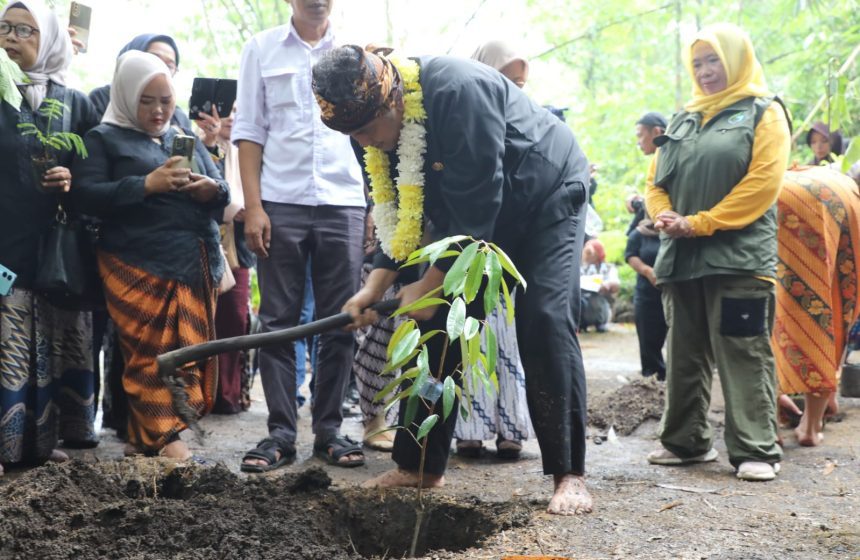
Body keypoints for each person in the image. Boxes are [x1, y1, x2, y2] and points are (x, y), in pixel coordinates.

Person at [313, 45, 593, 515]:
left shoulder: (461, 90)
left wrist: (427, 286)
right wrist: (373, 288)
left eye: (364, 131)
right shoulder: (360, 122)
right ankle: (419, 464)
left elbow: (477, 204)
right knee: (438, 323)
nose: (360, 143)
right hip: (475, 215)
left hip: (546, 196)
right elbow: (399, 213)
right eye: (350, 135)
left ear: (394, 102)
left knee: (544, 317)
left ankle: (569, 474)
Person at [644, 23, 789, 481]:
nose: (706, 72)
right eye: (698, 63)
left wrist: (701, 222)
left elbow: (763, 184)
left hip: (738, 256)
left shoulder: (763, 112)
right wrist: (666, 215)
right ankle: (685, 442)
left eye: (714, 61)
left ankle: (756, 450)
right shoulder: (684, 117)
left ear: (736, 60)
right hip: (681, 257)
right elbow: (655, 182)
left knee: (742, 349)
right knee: (683, 351)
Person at [72, 51, 229, 460]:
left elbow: (220, 188)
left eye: (166, 100)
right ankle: (164, 437)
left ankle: (145, 439)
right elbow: (85, 196)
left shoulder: (181, 136)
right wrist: (146, 184)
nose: (159, 110)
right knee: (148, 356)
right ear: (126, 96)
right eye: (147, 100)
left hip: (194, 265)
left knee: (188, 354)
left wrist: (209, 190)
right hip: (137, 265)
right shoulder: (102, 138)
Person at [233, 0, 366, 472]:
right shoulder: (261, 49)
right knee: (278, 323)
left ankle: (328, 429)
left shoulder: (358, 49)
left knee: (340, 321)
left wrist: (373, 206)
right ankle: (281, 434)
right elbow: (249, 131)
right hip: (280, 203)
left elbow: (376, 130)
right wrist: (254, 207)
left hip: (345, 202)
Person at [0, 0, 99, 477]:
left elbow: (93, 169)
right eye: (5, 28)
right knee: (6, 337)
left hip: (53, 250)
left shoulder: (73, 101)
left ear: (52, 41)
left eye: (26, 30)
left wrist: (69, 176)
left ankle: (38, 439)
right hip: (4, 243)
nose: (12, 37)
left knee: (45, 340)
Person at [453, 40, 534, 460]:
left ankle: (510, 429)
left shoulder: (529, 121)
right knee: (470, 333)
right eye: (507, 79)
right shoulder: (462, 117)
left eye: (521, 82)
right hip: (468, 244)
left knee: (509, 337)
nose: (514, 88)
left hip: (512, 244)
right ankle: (469, 428)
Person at [772, 166, 860, 446]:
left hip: (773, 196)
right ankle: (810, 427)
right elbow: (849, 303)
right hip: (821, 209)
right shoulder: (852, 199)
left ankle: (766, 422)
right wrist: (829, 388)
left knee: (774, 316)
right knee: (828, 313)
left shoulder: (823, 174)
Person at [196, 103, 256, 414]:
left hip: (239, 251)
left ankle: (228, 396)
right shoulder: (199, 145)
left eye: (238, 111)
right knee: (203, 319)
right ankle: (201, 395)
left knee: (234, 318)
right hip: (205, 245)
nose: (232, 118)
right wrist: (210, 141)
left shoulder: (251, 150)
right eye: (227, 111)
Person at [89, 33, 192, 131]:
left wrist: (206, 141)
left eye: (169, 66)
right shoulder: (101, 98)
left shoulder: (178, 117)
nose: (160, 68)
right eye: (153, 59)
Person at [625, 218, 666, 380]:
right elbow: (630, 256)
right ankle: (653, 376)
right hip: (647, 293)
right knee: (648, 336)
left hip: (674, 293)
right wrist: (647, 271)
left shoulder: (675, 231)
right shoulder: (638, 234)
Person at [579, 239, 619, 332]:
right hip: (582, 299)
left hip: (600, 301)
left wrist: (607, 284)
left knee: (595, 298)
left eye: (590, 254)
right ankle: (580, 324)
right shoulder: (579, 267)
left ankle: (600, 322)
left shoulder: (608, 268)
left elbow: (616, 284)